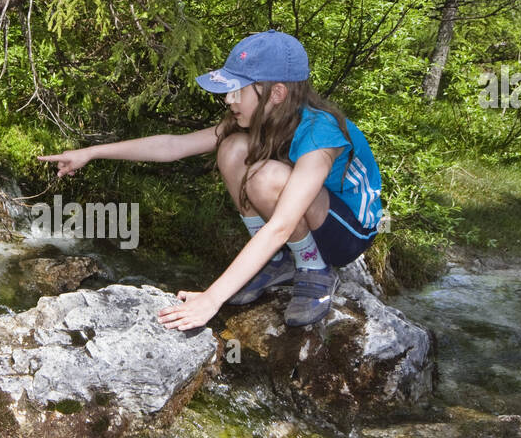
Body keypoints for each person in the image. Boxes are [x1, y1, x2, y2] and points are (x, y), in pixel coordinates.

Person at [38, 30, 383, 331]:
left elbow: (280, 224)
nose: (228, 99)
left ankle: (314, 269)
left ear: (276, 94)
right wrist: (91, 152)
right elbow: (174, 145)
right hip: (305, 219)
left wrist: (211, 299)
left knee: (266, 177)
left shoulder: (320, 130)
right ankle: (276, 263)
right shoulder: (263, 119)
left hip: (348, 233)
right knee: (232, 148)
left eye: (237, 91)